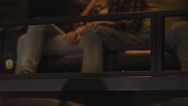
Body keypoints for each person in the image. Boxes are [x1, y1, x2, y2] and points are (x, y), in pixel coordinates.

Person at [15, 0, 146, 73]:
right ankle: (24, 76)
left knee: (25, 41)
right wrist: (89, 9)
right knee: (36, 26)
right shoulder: (94, 2)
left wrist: (95, 24)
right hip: (77, 38)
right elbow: (79, 24)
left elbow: (129, 25)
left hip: (95, 38)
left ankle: (25, 75)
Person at [83, 0, 188, 71]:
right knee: (93, 33)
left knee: (182, 27)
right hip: (138, 37)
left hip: (168, 36)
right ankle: (89, 93)